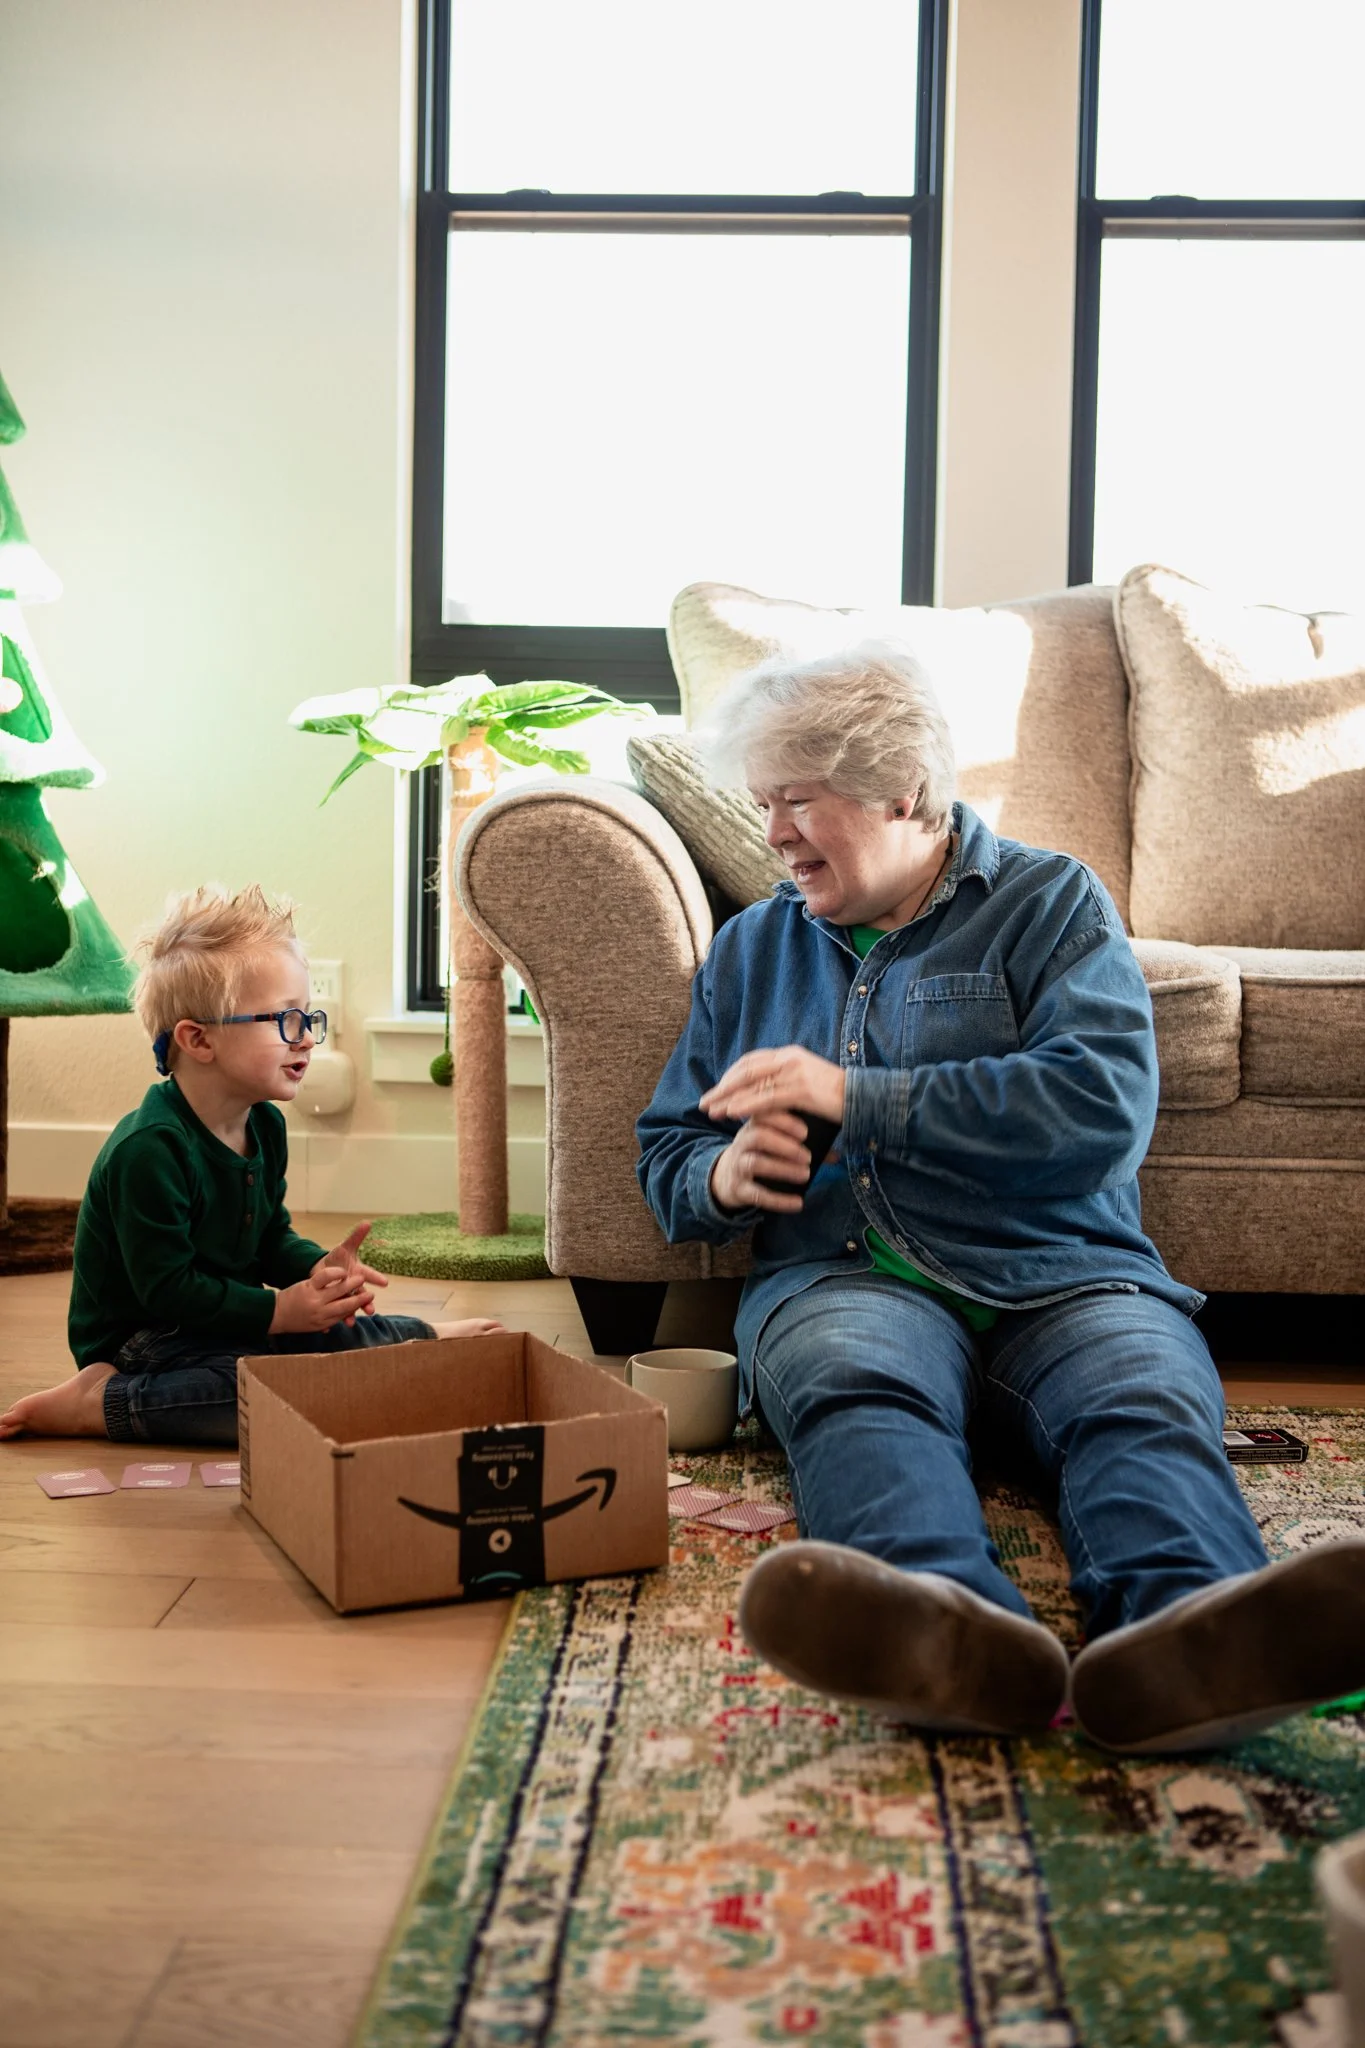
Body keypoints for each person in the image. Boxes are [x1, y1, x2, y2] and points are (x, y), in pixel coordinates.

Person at [636, 642, 1365, 1754]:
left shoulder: (1047, 902)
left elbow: (1102, 1103)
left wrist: (857, 1096)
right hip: (844, 1274)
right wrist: (719, 1177)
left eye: (798, 800)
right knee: (853, 1391)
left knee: (1143, 1395)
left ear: (903, 791)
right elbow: (668, 1146)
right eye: (762, 801)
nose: (773, 832)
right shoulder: (752, 951)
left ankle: (1194, 1639)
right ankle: (953, 1638)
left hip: (1064, 1272)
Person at [0, 885, 500, 1447]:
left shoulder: (264, 1124)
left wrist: (314, 1273)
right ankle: (101, 1403)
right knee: (260, 1395)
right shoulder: (149, 1150)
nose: (306, 1037)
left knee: (324, 1342)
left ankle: (417, 1336)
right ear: (198, 1039)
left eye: (308, 1016)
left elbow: (267, 1239)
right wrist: (279, 1312)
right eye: (284, 1019)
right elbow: (167, 1290)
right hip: (142, 1340)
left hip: (220, 1319)